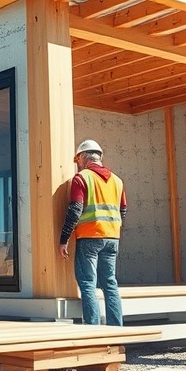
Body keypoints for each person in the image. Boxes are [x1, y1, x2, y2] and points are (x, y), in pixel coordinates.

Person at [58, 139, 127, 326]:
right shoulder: (117, 181)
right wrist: (112, 229)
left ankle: (92, 329)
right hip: (112, 237)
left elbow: (75, 210)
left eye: (77, 160)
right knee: (110, 283)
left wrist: (64, 239)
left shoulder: (82, 178)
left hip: (90, 237)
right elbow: (122, 210)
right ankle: (116, 329)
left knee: (88, 283)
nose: (77, 164)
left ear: (82, 157)